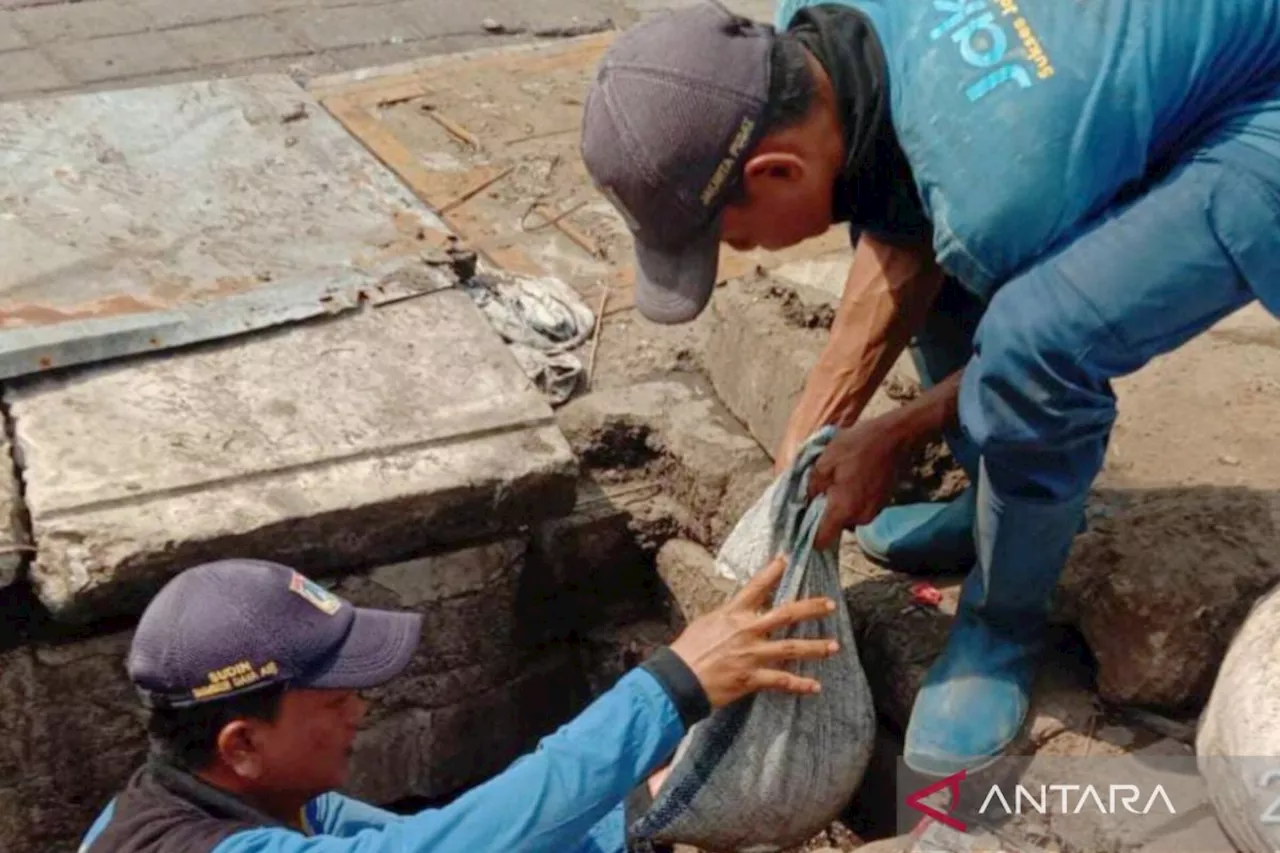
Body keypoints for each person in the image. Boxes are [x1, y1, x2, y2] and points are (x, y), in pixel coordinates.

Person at [579, 0, 1280, 776]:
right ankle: (990, 508)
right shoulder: (818, 39)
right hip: (1108, 68)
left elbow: (1035, 360)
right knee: (920, 199)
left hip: (1263, 96)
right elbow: (899, 208)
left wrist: (893, 433)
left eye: (735, 238)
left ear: (775, 171)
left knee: (1033, 337)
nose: (745, 251)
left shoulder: (1003, 187)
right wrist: (814, 435)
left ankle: (1002, 627)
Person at [78, 556, 838, 853]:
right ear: (241, 743)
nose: (360, 714)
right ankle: (954, 808)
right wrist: (669, 689)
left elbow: (450, 834)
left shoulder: (230, 796)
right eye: (338, 699)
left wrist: (636, 807)